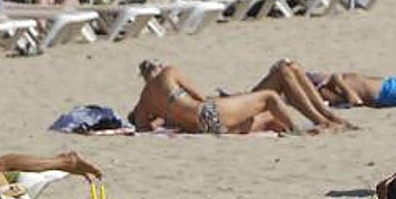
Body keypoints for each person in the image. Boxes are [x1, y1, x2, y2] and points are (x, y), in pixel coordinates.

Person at [128, 61, 301, 134]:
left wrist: (162, 118)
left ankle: (287, 128)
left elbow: (142, 128)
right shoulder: (168, 73)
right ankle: (297, 131)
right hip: (206, 114)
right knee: (269, 97)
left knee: (264, 118)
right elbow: (200, 98)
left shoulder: (145, 99)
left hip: (203, 129)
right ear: (159, 67)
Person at [310, 71, 396, 108]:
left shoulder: (333, 82)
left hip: (388, 85)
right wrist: (338, 82)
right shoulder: (330, 92)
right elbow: (355, 100)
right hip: (385, 93)